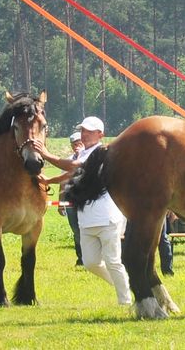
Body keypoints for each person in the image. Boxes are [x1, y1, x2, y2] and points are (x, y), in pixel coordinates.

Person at [34, 117, 132, 305]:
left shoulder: (101, 152)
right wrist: (49, 181)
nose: (84, 134)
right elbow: (71, 173)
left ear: (100, 135)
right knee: (90, 263)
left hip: (106, 217)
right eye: (83, 130)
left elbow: (73, 167)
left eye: (89, 131)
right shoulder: (82, 153)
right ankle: (125, 285)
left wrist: (45, 154)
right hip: (86, 218)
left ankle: (125, 300)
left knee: (112, 261)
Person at [59, 132, 84, 266]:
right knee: (76, 231)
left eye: (79, 143)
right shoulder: (68, 161)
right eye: (74, 144)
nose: (76, 146)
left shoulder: (89, 157)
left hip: (86, 200)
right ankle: (80, 258)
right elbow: (62, 182)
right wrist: (60, 202)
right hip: (70, 200)